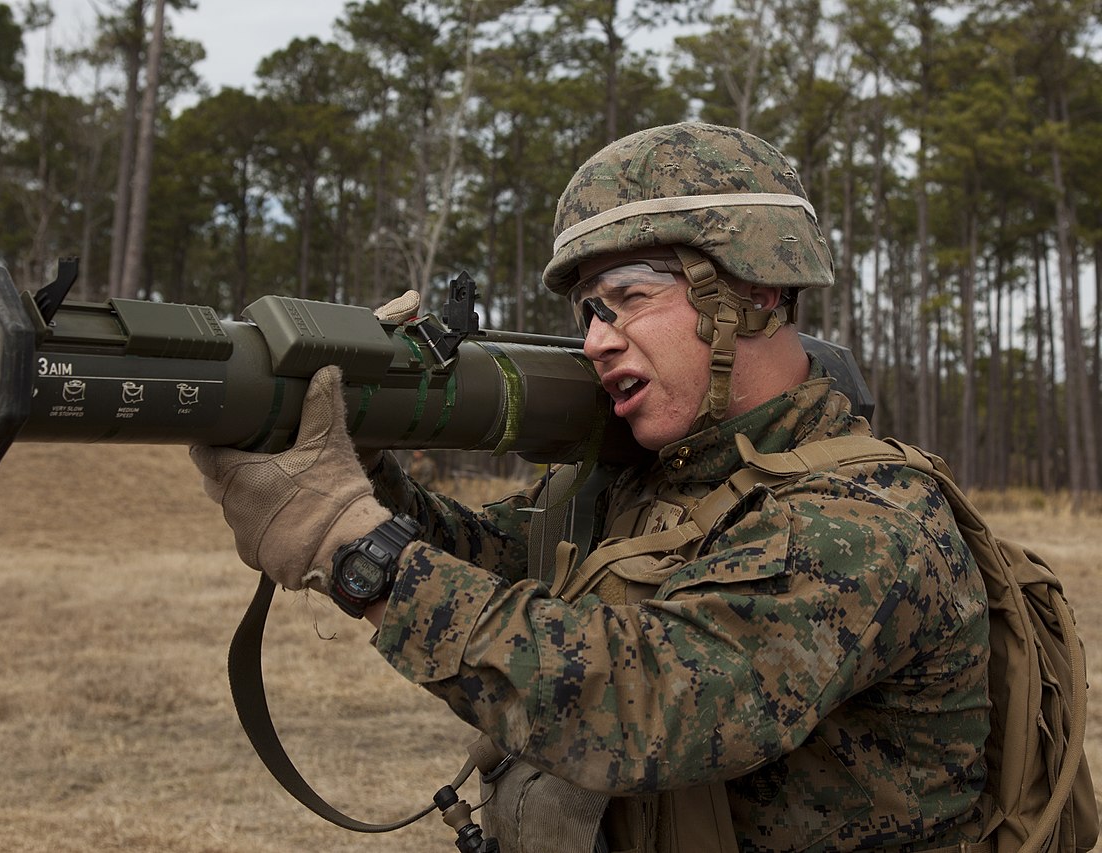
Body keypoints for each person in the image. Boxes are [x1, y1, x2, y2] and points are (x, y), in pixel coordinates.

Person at [190, 122, 991, 853]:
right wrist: (359, 470)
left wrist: (359, 551)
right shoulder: (655, 478)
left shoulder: (863, 524)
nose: (598, 341)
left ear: (754, 292)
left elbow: (645, 701)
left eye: (630, 298)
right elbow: (490, 556)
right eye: (587, 312)